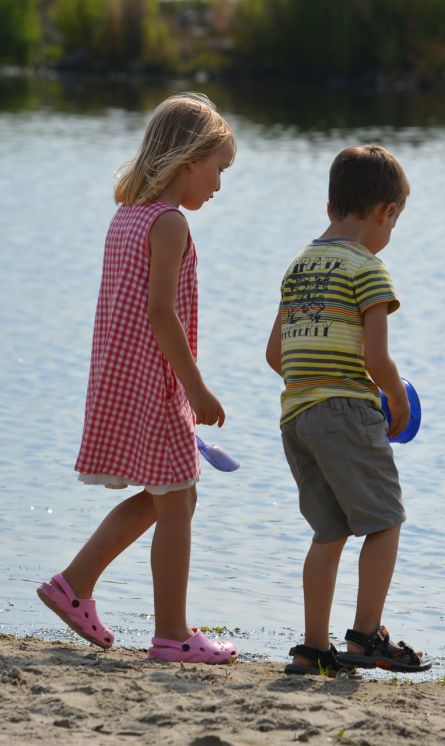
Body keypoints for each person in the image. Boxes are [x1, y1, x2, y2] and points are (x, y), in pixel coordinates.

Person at [37, 93, 238, 665]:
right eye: (218, 171)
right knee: (179, 499)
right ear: (188, 160)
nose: (219, 187)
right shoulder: (169, 222)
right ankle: (173, 635)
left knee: (164, 495)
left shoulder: (128, 215)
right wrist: (195, 387)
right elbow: (159, 312)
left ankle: (74, 584)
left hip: (120, 375)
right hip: (154, 381)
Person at [266, 144, 431, 676]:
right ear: (386, 212)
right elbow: (375, 357)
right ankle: (364, 638)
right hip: (346, 412)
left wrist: (313, 383)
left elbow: (276, 355)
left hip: (297, 416)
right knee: (385, 521)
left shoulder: (298, 265)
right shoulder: (368, 268)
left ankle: (313, 648)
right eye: (395, 221)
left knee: (328, 531)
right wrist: (397, 398)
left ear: (331, 205)